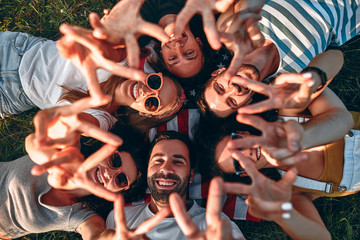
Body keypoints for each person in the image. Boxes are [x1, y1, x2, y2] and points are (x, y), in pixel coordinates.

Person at [0, 101, 152, 239]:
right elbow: (33, 143)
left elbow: (95, 235)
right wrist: (50, 158)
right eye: (115, 160)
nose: (109, 174)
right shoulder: (70, 151)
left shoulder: (83, 215)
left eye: (121, 179)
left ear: (121, 191)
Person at [198, 0, 360, 118]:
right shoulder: (288, 85)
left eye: (220, 88)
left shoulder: (229, 32)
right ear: (247, 103)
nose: (234, 89)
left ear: (218, 71)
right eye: (232, 101)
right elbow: (337, 57)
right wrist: (309, 82)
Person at [0, 31, 185, 131]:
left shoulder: (103, 119)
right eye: (154, 84)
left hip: (13, 98)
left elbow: (74, 125)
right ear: (152, 75)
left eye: (152, 102)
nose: (146, 92)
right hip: (18, 52)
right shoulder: (123, 60)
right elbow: (103, 45)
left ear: (146, 113)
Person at [106, 130, 244, 239]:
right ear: (148, 170)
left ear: (190, 175)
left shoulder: (214, 225)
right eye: (158, 161)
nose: (165, 169)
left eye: (178, 162)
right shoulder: (119, 218)